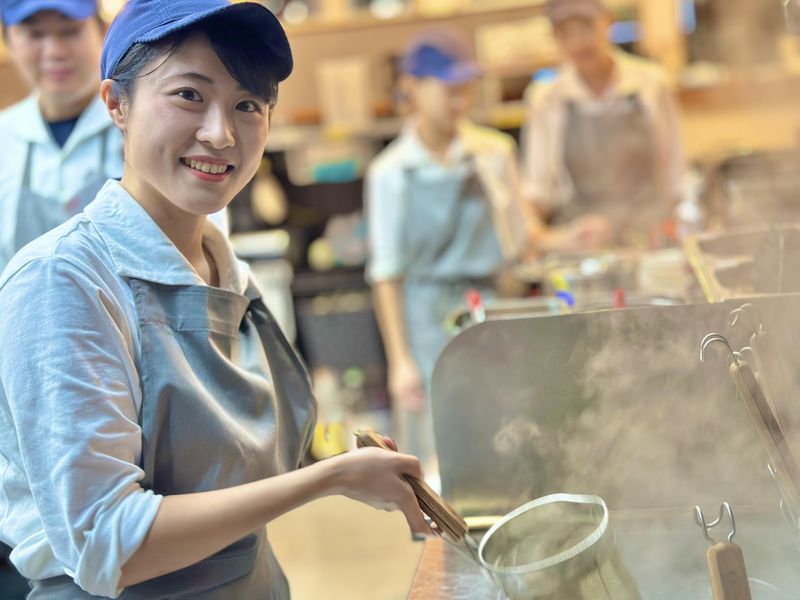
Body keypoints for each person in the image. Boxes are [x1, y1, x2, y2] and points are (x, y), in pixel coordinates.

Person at [0, 1, 430, 597]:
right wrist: (326, 481)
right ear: (116, 105)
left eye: (248, 105)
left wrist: (341, 460)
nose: (220, 133)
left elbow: (224, 460)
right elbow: (106, 541)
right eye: (188, 95)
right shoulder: (63, 281)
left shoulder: (226, 273)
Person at [365, 28, 602, 476]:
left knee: (508, 441)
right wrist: (401, 362)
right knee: (440, 457)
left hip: (494, 312)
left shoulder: (493, 152)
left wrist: (568, 238)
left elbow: (522, 238)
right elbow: (386, 275)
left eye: (467, 91)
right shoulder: (391, 172)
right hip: (427, 323)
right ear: (413, 88)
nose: (461, 103)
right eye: (450, 92)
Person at [521, 0, 685, 246]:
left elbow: (676, 177)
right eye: (566, 32)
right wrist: (551, 238)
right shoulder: (546, 98)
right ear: (554, 37)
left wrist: (673, 227)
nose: (578, 41)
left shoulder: (650, 84)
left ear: (607, 21)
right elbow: (537, 193)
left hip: (651, 240)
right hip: (584, 246)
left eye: (586, 26)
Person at [0, 0, 123, 272]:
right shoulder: (4, 138)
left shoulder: (142, 126)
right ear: (8, 40)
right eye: (35, 35)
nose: (55, 52)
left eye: (69, 31)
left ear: (102, 31)